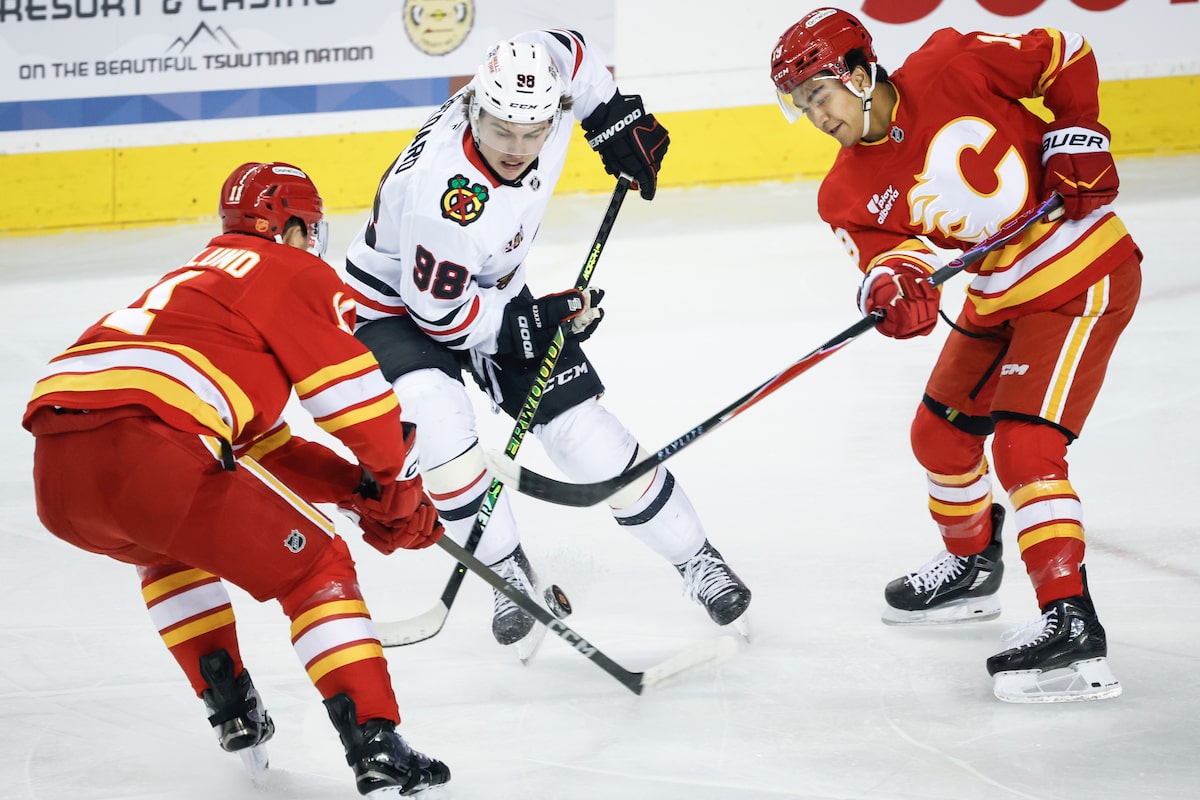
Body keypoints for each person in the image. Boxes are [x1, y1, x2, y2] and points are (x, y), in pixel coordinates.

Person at [23, 162, 452, 795]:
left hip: (60, 476)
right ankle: (375, 740)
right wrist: (397, 486)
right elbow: (356, 404)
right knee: (317, 563)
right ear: (297, 229)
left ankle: (232, 708)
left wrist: (358, 492)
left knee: (172, 545)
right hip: (155, 446)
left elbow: (262, 452)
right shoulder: (290, 269)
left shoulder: (193, 285)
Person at [770, 9, 1139, 702]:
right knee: (938, 434)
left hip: (1079, 270)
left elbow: (1065, 52)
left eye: (818, 95)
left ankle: (1071, 619)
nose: (815, 115)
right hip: (999, 294)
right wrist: (895, 294)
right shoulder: (845, 192)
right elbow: (890, 263)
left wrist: (1079, 133)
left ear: (856, 74)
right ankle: (972, 567)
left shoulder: (950, 63)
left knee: (1025, 449)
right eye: (800, 106)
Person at [344, 31, 752, 651]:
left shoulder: (540, 94)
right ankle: (508, 571)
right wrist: (531, 326)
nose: (516, 147)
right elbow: (442, 319)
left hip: (493, 290)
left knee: (584, 437)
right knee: (441, 426)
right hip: (397, 308)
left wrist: (615, 116)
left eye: (531, 133)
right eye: (501, 129)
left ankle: (697, 558)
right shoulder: (444, 200)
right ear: (475, 105)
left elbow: (571, 52)